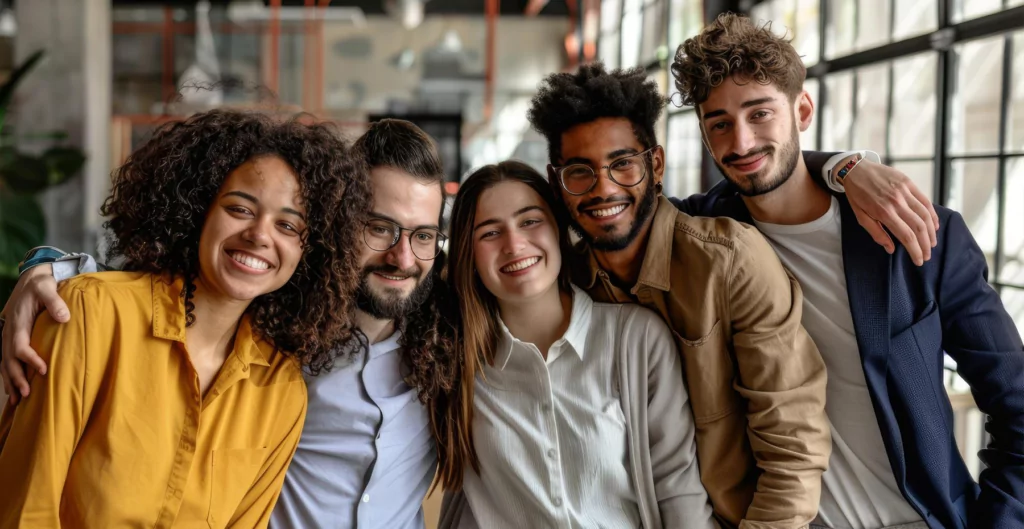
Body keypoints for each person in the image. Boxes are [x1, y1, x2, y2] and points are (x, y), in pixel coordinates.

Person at [526, 60, 943, 527]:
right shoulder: (561, 283)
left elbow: (792, 448)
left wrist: (848, 166)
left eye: (623, 164)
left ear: (656, 164)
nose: (604, 188)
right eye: (580, 172)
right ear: (556, 181)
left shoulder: (728, 261)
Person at [0, 118, 458, 529]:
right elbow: (28, 507)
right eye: (379, 228)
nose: (402, 255)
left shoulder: (449, 340)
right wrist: (47, 269)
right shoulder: (280, 345)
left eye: (422, 236)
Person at [669, 13, 1024, 529]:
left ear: (803, 109)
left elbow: (1017, 405)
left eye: (760, 113)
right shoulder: (699, 235)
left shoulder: (919, 235)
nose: (741, 142)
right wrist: (844, 165)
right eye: (719, 123)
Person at [436, 161, 714, 529]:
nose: (514, 244)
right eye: (489, 233)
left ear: (559, 230)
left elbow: (677, 487)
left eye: (530, 221)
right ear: (468, 255)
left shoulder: (635, 339)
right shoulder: (453, 360)